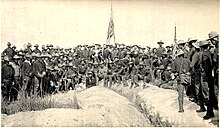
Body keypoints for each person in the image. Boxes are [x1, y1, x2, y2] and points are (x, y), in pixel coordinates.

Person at [199, 40, 216, 119]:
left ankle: (209, 113)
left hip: (206, 76)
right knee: (211, 93)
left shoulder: (205, 54)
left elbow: (207, 65)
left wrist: (204, 70)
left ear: (202, 47)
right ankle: (211, 111)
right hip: (211, 76)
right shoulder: (210, 53)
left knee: (207, 94)